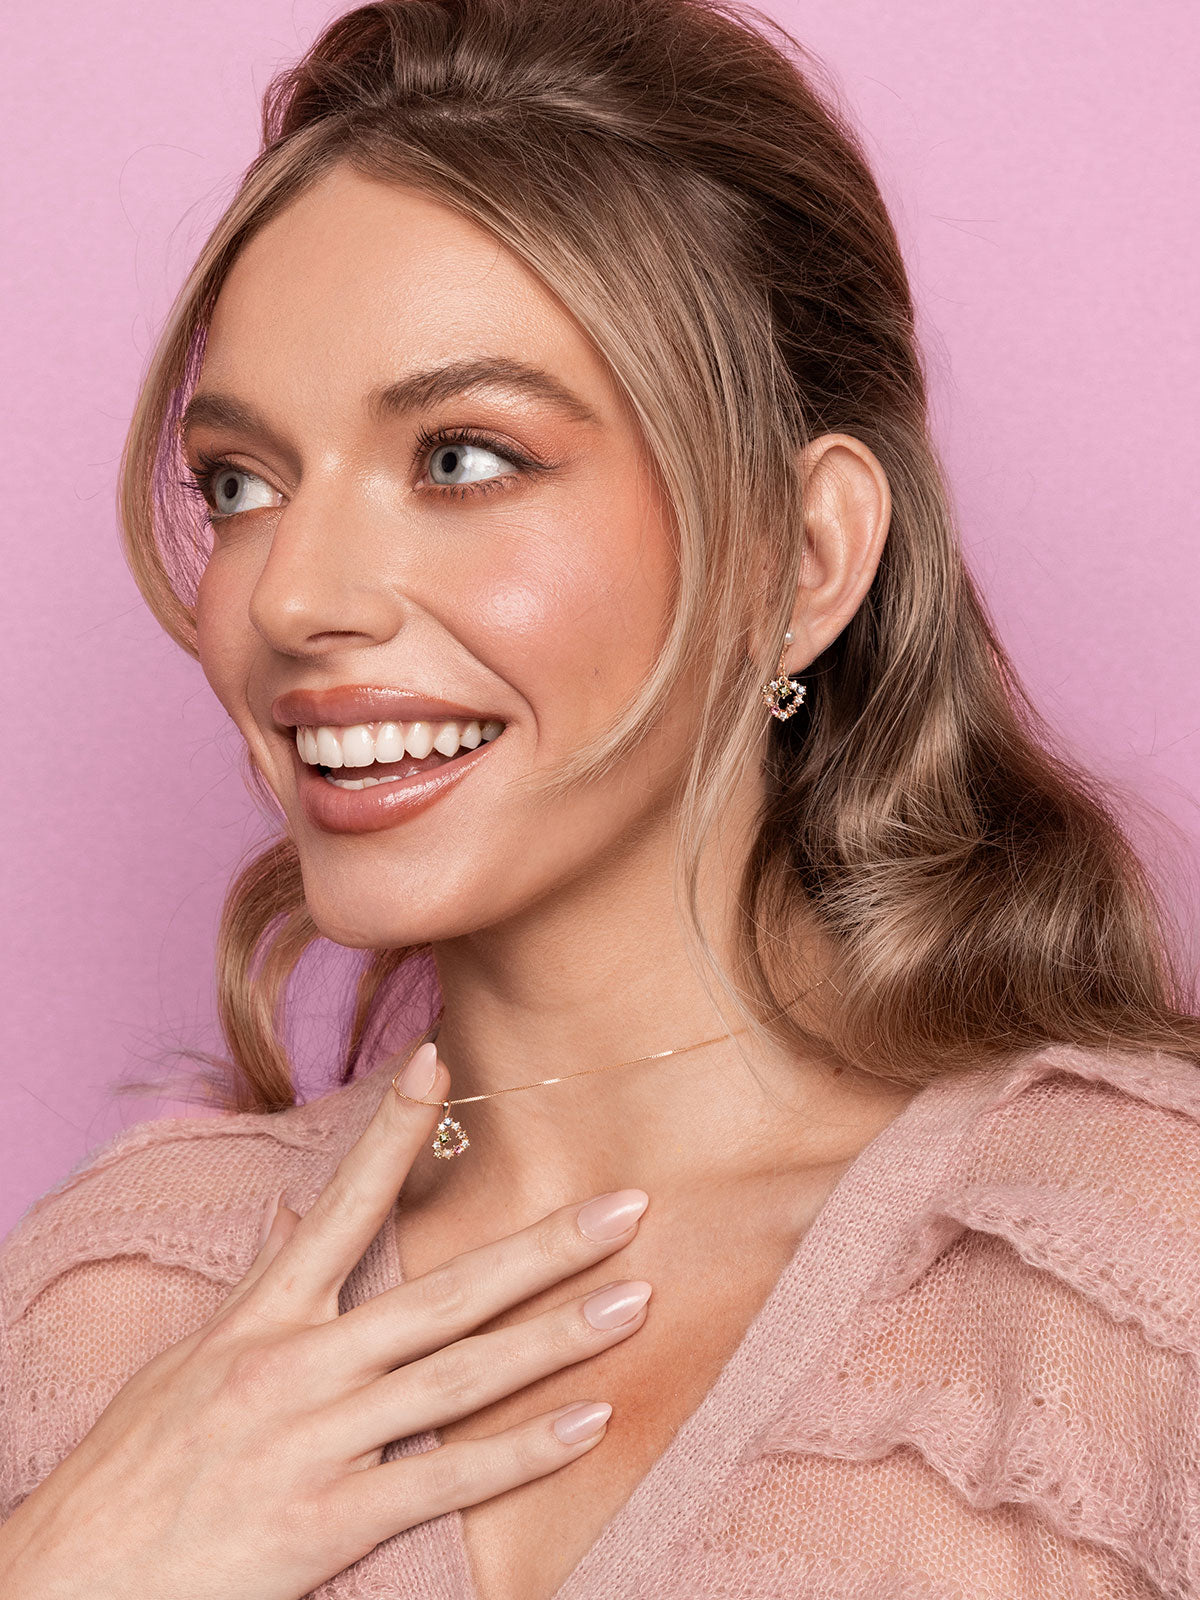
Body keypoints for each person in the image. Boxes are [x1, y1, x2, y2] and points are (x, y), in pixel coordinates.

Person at [3, 0, 1199, 1595]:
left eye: (462, 458)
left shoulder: (1134, 1284)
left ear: (800, 559)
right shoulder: (114, 1306)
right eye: (241, 483)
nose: (290, 597)